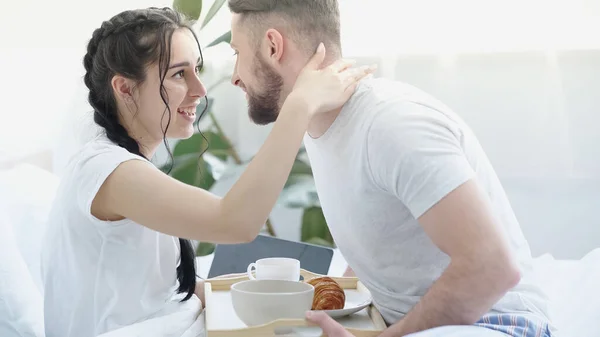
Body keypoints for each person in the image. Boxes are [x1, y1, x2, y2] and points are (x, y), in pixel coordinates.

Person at [40, 6, 375, 337]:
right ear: (125, 89)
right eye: (178, 74)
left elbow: (162, 291)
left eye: (197, 70)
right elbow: (235, 222)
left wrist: (273, 293)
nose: (200, 90)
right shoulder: (106, 170)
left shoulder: (123, 163)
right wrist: (300, 105)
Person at [226, 0, 555, 336]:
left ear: (272, 46)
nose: (234, 76)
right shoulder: (318, 124)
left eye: (237, 52)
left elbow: (493, 267)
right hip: (410, 322)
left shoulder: (391, 124)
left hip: (496, 323)